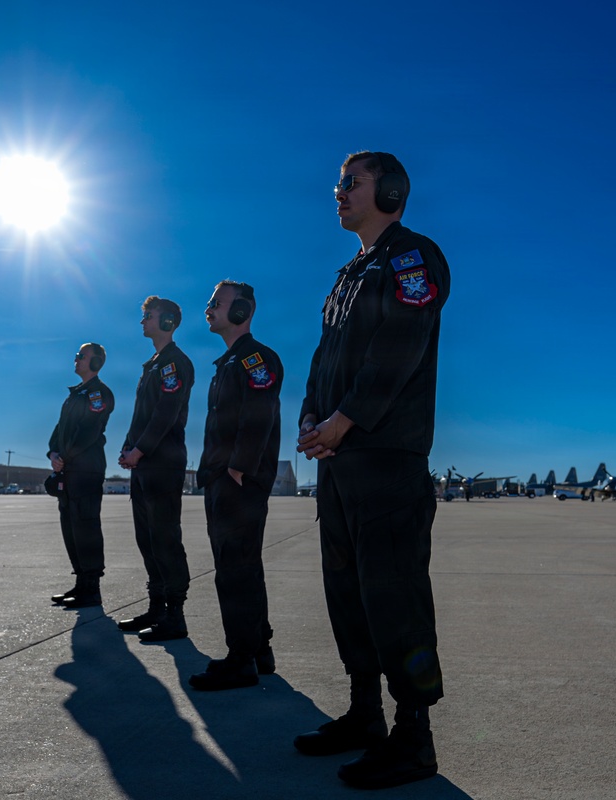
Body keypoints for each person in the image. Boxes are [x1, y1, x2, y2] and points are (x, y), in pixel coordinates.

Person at [295, 151, 451, 789]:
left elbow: (399, 347)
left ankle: (413, 737)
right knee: (348, 595)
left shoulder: (414, 258)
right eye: (338, 182)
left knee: (394, 598)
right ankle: (364, 715)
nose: (337, 193)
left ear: (388, 190)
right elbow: (324, 356)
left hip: (386, 459)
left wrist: (347, 420)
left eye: (349, 183)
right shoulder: (348, 275)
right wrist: (313, 421)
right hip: (340, 462)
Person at [189, 280, 283, 691]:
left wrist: (238, 468)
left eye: (218, 302)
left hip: (237, 482)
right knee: (243, 567)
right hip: (223, 478)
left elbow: (259, 412)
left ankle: (241, 658)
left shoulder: (256, 358)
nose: (209, 308)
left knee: (234, 570)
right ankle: (258, 650)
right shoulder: (227, 362)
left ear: (242, 311)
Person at [116, 296, 195, 642]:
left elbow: (166, 412)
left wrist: (141, 449)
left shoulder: (174, 363)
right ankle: (156, 608)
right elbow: (141, 416)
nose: (142, 321)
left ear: (167, 322)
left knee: (165, 539)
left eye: (148, 316)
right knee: (147, 539)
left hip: (162, 463)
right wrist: (127, 447)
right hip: (144, 464)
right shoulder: (153, 364)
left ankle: (175, 616)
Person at [47, 342, 115, 609]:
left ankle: (92, 589)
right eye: (76, 355)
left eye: (81, 356)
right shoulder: (75, 394)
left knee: (86, 527)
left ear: (96, 363)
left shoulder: (99, 393)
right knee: (71, 528)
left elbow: (89, 431)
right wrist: (53, 453)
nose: (75, 359)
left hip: (85, 470)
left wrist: (64, 456)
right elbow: (59, 429)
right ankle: (80, 583)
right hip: (68, 468)